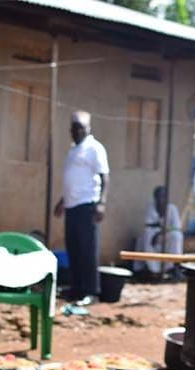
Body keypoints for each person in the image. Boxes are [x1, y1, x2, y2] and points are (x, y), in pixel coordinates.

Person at [54, 111, 109, 306]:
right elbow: (73, 181)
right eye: (74, 128)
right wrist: (62, 201)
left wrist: (101, 203)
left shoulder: (94, 148)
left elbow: (104, 177)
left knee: (87, 251)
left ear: (88, 129)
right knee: (74, 249)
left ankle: (91, 292)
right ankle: (76, 289)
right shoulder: (73, 150)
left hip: (87, 205)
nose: (77, 131)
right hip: (71, 206)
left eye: (81, 128)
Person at [134, 186, 183, 275]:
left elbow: (177, 227)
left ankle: (174, 267)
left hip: (168, 235)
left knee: (177, 236)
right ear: (155, 197)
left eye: (163, 196)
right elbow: (148, 224)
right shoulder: (151, 207)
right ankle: (152, 269)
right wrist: (157, 233)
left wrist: (163, 232)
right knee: (146, 234)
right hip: (154, 236)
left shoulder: (172, 209)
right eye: (159, 196)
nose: (161, 199)